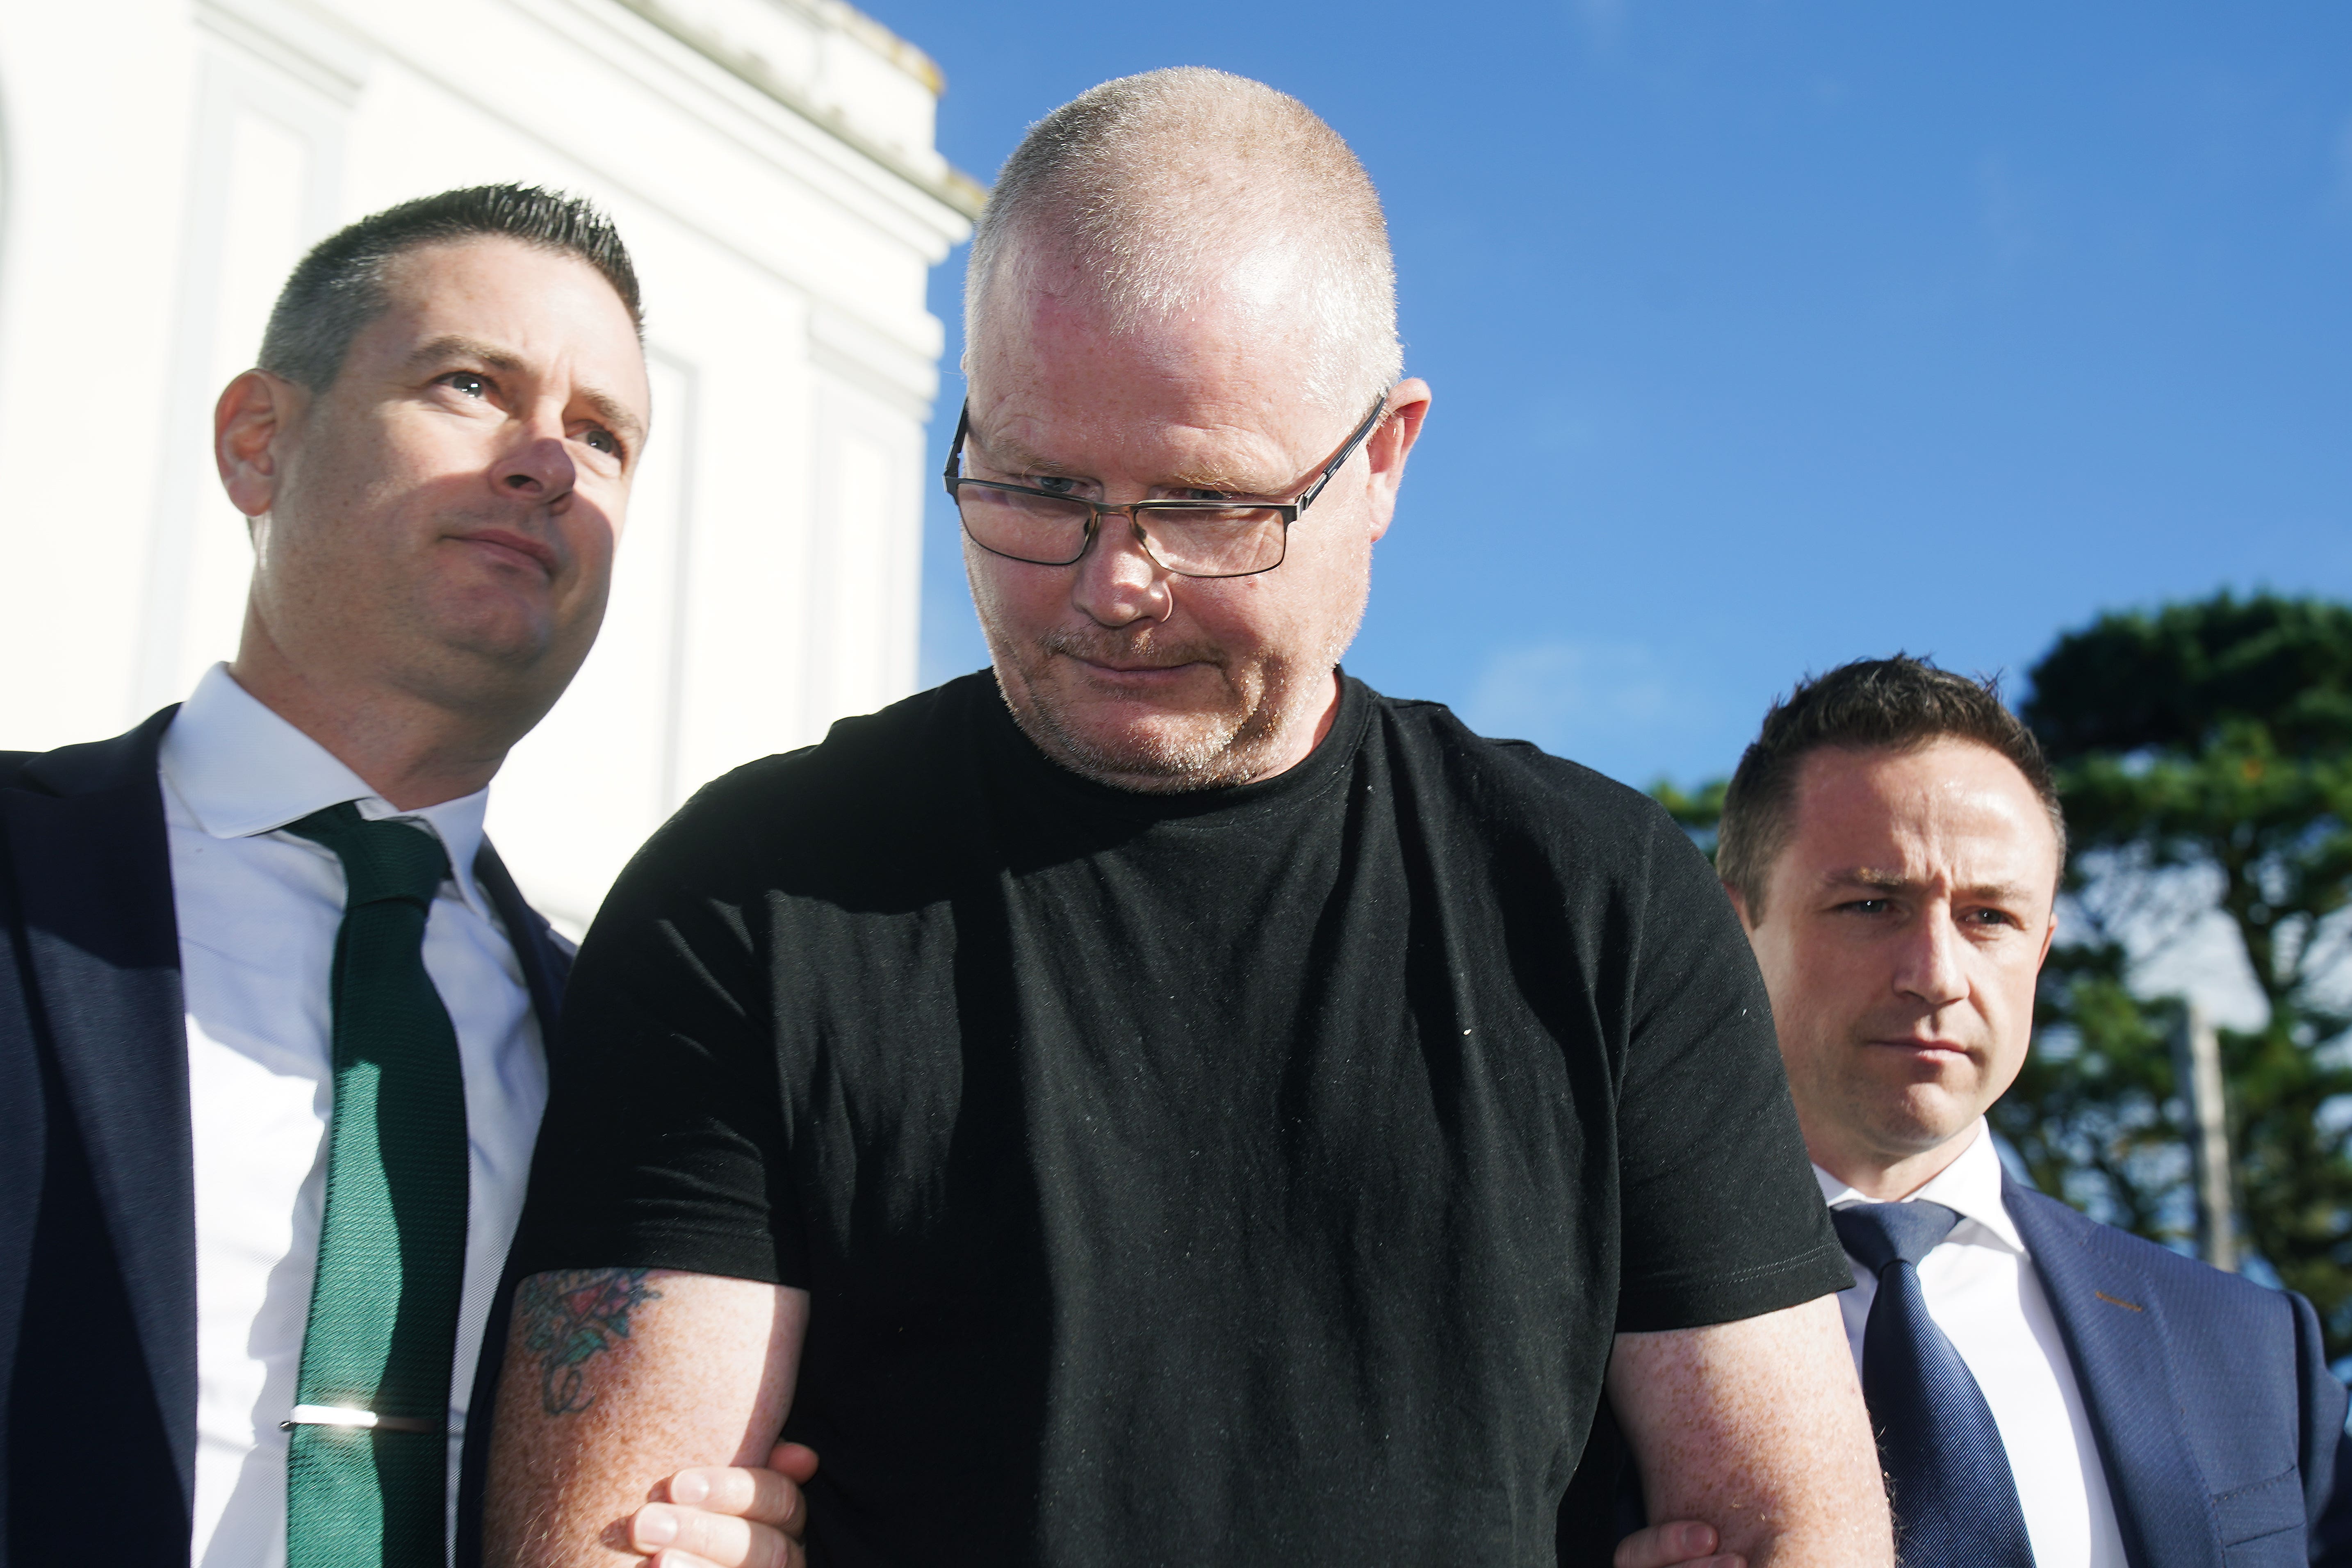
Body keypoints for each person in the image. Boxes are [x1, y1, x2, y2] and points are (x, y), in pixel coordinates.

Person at [483, 70, 1890, 1568]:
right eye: (1034, 487)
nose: (1112, 584)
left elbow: (1789, 1526)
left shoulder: (1598, 903)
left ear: (1385, 458)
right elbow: (604, 1537)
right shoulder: (751, 899)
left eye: (1210, 505)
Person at [0, 186, 809, 1568]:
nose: (547, 461)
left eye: (603, 435)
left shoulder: (635, 1049)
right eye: (470, 384)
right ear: (259, 441)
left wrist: (735, 1526)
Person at [1706, 655, 2352, 1568]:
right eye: (1871, 903)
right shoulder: (1583, 1323)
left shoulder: (2251, 1353)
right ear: (1734, 932)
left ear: (2042, 947)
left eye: (1989, 918)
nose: (1935, 974)